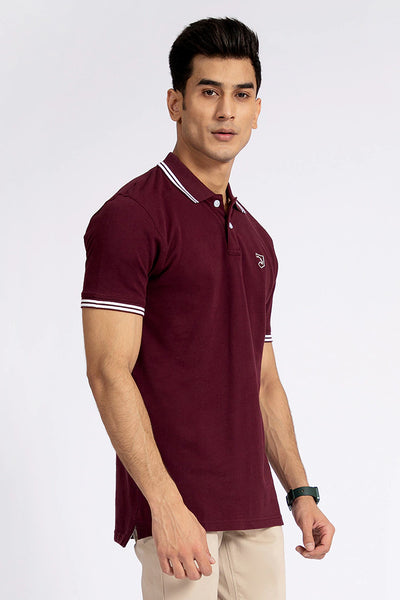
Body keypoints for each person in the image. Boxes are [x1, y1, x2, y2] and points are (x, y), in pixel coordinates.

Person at [80, 16, 335, 600]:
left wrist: (300, 492)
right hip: (179, 511)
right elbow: (107, 371)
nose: (226, 112)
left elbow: (264, 381)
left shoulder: (256, 238)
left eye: (241, 95)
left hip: (256, 510)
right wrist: (164, 504)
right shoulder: (132, 218)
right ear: (175, 103)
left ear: (257, 110)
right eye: (208, 91)